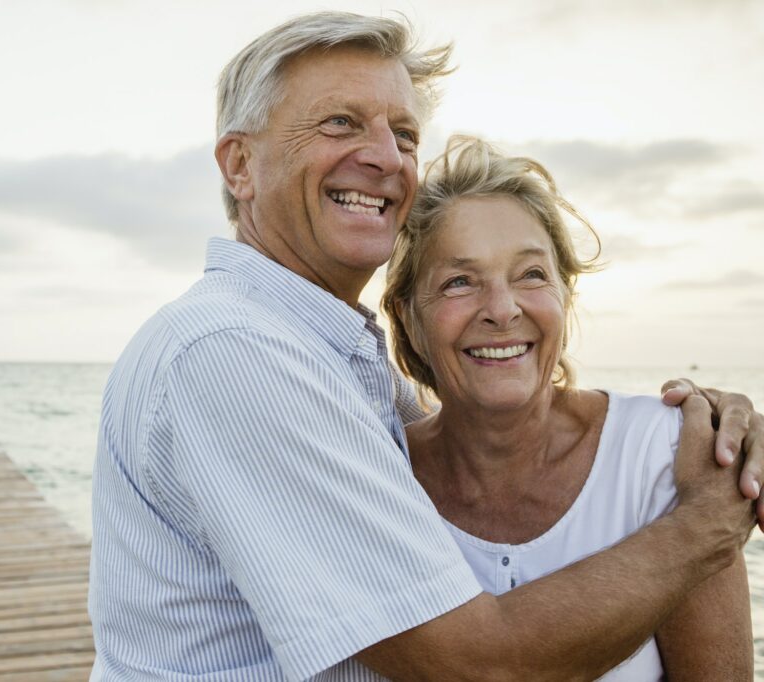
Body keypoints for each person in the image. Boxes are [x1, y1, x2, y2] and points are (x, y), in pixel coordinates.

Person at [90, 12, 763, 680]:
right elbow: (479, 664)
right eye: (340, 123)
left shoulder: (332, 358)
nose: (386, 157)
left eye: (404, 134)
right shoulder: (237, 353)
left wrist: (712, 418)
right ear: (240, 165)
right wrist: (711, 523)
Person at [381, 136, 753, 680]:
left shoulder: (666, 455)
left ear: (565, 296)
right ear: (407, 316)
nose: (502, 310)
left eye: (531, 274)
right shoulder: (376, 476)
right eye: (460, 281)